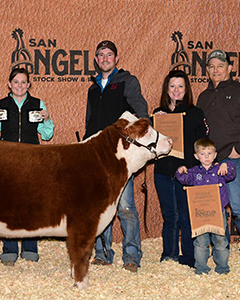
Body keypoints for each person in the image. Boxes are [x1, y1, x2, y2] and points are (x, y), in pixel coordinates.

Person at [197, 50, 240, 267]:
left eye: (220, 65)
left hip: (234, 160)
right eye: (211, 66)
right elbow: (196, 128)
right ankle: (222, 255)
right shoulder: (204, 97)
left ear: (230, 68)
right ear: (207, 70)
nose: (216, 70)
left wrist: (239, 149)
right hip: (210, 163)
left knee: (239, 208)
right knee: (216, 211)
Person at [83, 40, 148, 272]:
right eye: (100, 55)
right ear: (96, 60)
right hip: (98, 157)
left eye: (109, 54)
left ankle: (131, 256)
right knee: (102, 207)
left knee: (126, 207)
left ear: (116, 59)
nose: (104, 58)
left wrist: (128, 141)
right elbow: (90, 123)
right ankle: (102, 253)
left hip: (121, 158)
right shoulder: (93, 88)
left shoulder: (127, 82)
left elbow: (142, 115)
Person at [0, 67, 55, 266]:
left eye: (24, 82)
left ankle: (30, 248)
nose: (20, 86)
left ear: (29, 84)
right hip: (8, 161)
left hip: (33, 161)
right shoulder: (1, 104)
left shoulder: (38, 104)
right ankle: (9, 249)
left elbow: (47, 135)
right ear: (9, 84)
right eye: (16, 82)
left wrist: (47, 120)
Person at [152, 70, 208, 268]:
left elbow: (202, 144)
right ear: (167, 89)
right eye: (172, 86)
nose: (176, 90)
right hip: (163, 172)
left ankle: (189, 257)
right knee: (169, 216)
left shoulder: (195, 113)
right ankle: (169, 254)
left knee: (186, 216)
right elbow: (151, 147)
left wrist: (191, 166)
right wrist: (154, 123)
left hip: (186, 172)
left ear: (187, 89)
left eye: (180, 86)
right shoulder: (158, 114)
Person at [175, 138, 236, 274]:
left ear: (215, 155)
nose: (206, 157)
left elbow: (231, 174)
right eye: (203, 154)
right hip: (199, 212)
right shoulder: (194, 172)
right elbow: (182, 178)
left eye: (209, 153)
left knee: (220, 240)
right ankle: (201, 268)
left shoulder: (220, 170)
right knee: (200, 241)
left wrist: (227, 165)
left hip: (218, 211)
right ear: (196, 156)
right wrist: (180, 170)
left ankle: (222, 267)